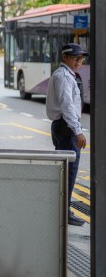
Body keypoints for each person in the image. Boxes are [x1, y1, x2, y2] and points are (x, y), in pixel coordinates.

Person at [46, 42, 88, 227]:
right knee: (69, 172)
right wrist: (77, 131)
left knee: (66, 170)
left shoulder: (67, 75)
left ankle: (62, 209)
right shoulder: (63, 76)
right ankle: (64, 211)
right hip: (66, 128)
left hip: (63, 126)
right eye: (75, 58)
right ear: (64, 57)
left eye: (81, 59)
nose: (79, 62)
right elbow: (67, 106)